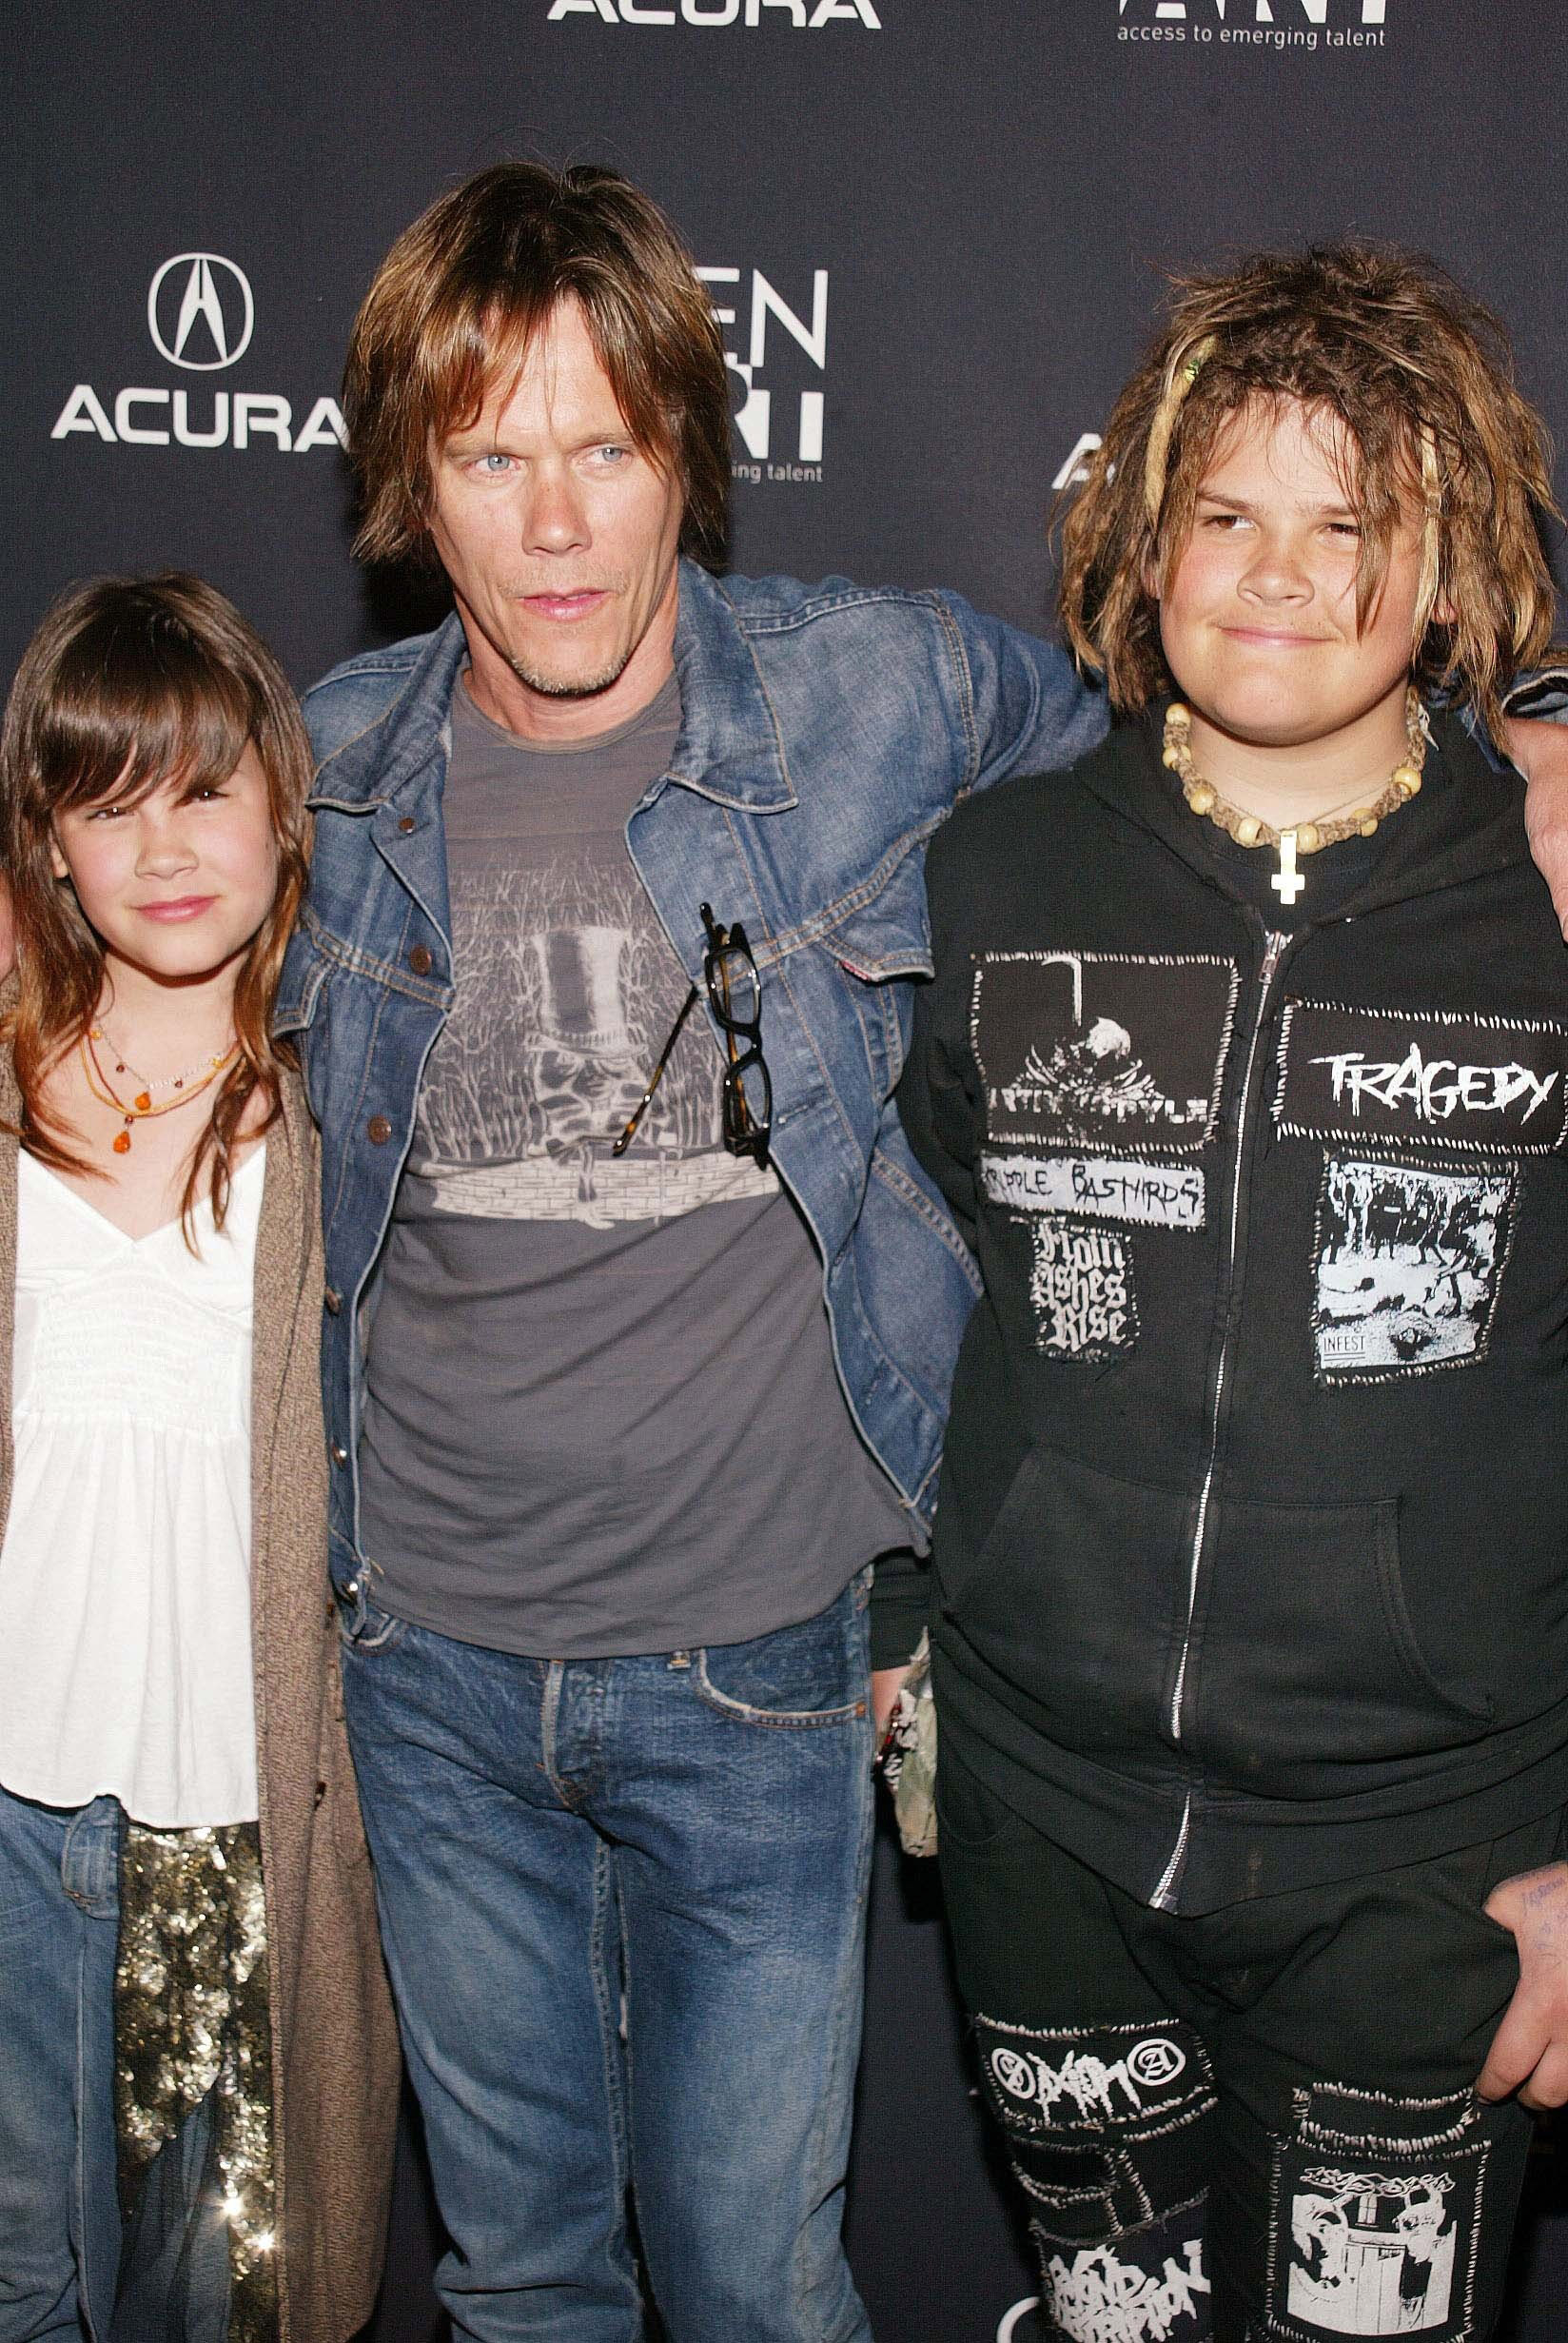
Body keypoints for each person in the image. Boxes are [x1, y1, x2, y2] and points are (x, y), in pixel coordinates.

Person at [284, 164, 1568, 2342]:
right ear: (413, 486)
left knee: (763, 2279)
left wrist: (1532, 721)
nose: (561, 519)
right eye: (495, 456)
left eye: (608, 445)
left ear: (692, 451)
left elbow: (1276, 720)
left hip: (804, 1689)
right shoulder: (317, 783)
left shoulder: (878, 698)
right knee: (520, 2273)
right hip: (488, 1685)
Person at [897, 242, 1568, 2343]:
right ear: (1142, 538)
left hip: (1428, 1861)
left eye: (1343, 526)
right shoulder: (997, 875)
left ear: (1446, 572)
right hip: (1040, 1838)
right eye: (1222, 515)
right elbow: (922, 1278)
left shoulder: (1545, 904)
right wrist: (913, 1629)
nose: (1271, 576)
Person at [0, 576, 399, 2343]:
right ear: (51, 843)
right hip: (8, 1809)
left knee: (210, 2300)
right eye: (107, 799)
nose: (162, 847)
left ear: (281, 802)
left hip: (232, 1820)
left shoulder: (354, 1110)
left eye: (205, 787)